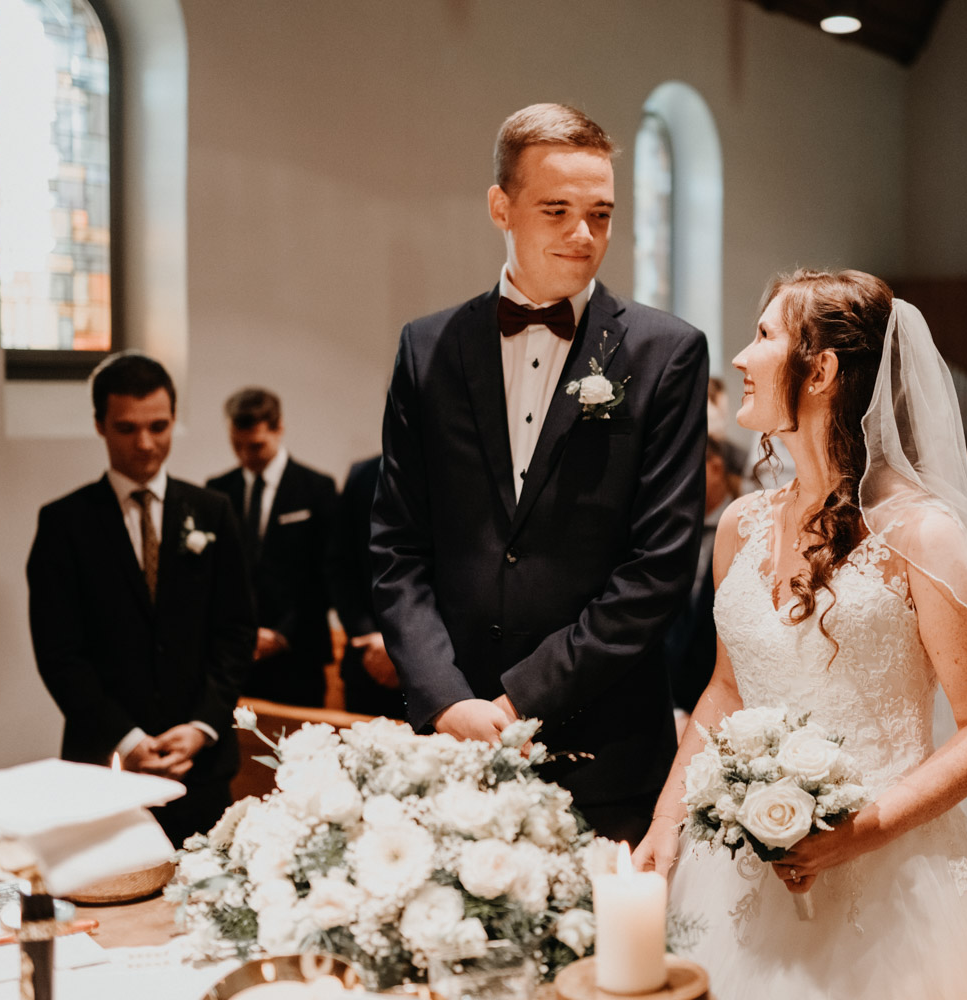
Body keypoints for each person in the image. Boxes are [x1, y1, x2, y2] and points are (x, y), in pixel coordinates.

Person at [633, 270, 967, 999]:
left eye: (764, 336)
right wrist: (666, 821)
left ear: (822, 370)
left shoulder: (924, 532)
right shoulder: (740, 525)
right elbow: (725, 690)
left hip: (891, 883)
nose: (739, 356)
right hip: (739, 866)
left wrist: (855, 833)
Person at [370, 103, 708, 843]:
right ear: (501, 207)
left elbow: (659, 567)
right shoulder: (429, 348)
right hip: (452, 747)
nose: (583, 235)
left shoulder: (666, 353)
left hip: (604, 749)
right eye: (556, 209)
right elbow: (397, 546)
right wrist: (445, 698)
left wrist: (520, 699)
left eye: (600, 214)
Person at [27, 353, 254, 844]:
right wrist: (126, 739)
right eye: (127, 428)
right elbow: (60, 654)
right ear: (99, 425)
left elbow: (235, 633)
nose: (146, 443)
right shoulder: (65, 524)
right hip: (103, 763)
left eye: (159, 425)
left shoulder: (213, 512)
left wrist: (201, 726)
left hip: (202, 765)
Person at [207, 388, 337, 708]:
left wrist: (281, 634)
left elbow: (327, 573)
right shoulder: (218, 490)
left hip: (298, 652)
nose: (245, 456)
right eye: (236, 446)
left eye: (255, 446)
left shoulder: (317, 489)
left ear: (278, 428)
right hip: (236, 655)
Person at [664, 437, 736, 733]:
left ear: (715, 467)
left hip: (724, 712)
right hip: (666, 703)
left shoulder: (752, 528)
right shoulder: (672, 527)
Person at [327, 455, 406, 718]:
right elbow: (341, 564)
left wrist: (405, 648)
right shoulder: (363, 474)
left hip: (441, 668)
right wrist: (367, 635)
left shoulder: (458, 469)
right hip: (367, 659)